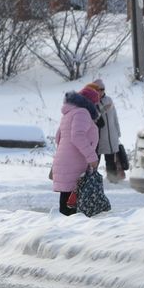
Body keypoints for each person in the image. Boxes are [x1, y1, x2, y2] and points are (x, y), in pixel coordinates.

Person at [50, 86, 101, 216]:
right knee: (74, 208)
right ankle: (73, 233)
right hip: (75, 162)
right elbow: (77, 136)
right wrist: (92, 157)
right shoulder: (82, 113)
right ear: (90, 102)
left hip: (66, 160)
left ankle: (65, 230)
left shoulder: (69, 113)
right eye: (96, 103)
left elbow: (58, 137)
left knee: (66, 202)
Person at [84, 79, 124, 182]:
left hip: (111, 137)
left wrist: (118, 132)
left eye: (102, 89)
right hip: (99, 139)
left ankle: (113, 180)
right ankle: (91, 180)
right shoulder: (91, 103)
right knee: (95, 160)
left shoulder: (109, 100)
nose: (101, 91)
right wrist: (102, 108)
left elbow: (115, 117)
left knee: (111, 160)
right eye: (98, 89)